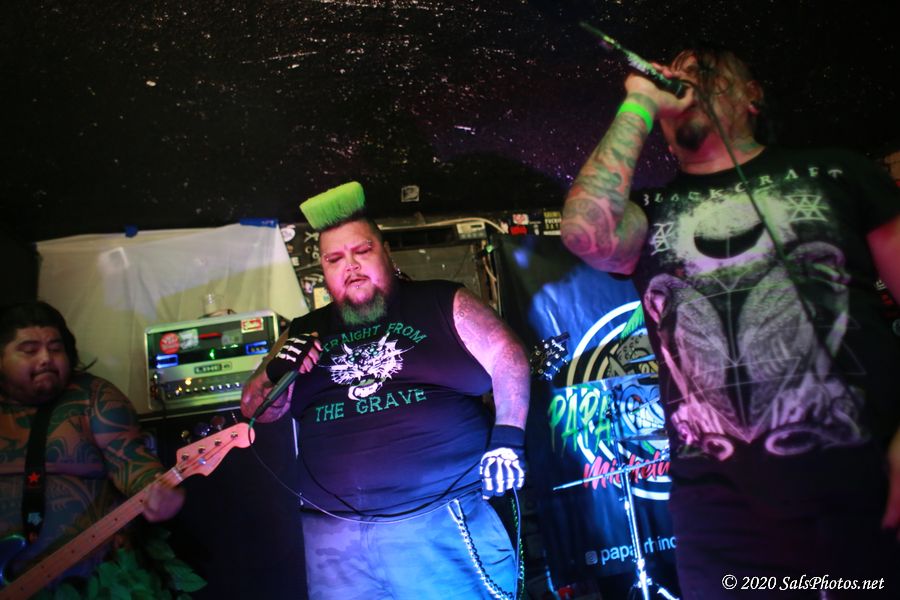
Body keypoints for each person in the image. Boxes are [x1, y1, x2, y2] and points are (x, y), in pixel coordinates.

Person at [561, 44, 900, 599]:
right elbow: (584, 233)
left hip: (867, 487)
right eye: (675, 78)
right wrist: (639, 102)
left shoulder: (838, 171)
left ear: (752, 95)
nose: (686, 83)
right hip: (722, 513)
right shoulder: (649, 211)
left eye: (706, 73)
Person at [240, 181, 530, 600]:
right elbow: (255, 409)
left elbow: (508, 354)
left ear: (386, 252)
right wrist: (276, 373)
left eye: (362, 251)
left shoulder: (439, 301)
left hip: (441, 522)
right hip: (333, 541)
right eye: (335, 258)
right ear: (323, 268)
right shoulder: (303, 331)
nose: (351, 266)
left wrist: (507, 439)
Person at [0, 301, 185, 593]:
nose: (46, 358)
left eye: (55, 348)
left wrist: (161, 491)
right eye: (29, 350)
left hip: (93, 584)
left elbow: (133, 464)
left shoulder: (93, 398)